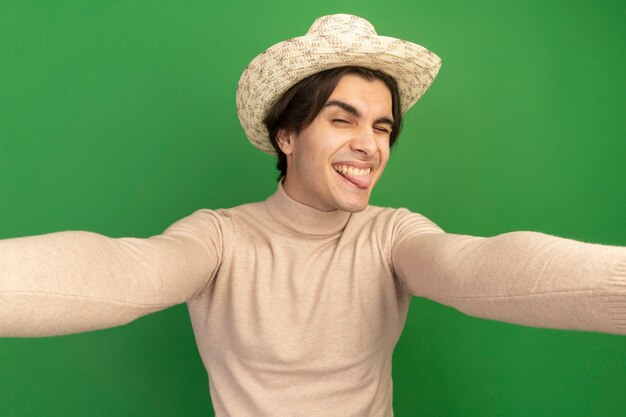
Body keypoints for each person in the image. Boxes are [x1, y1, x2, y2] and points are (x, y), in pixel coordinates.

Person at [0, 13, 624, 417]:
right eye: (342, 119)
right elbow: (120, 272)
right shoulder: (219, 238)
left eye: (382, 127)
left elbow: (479, 267)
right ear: (288, 137)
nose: (370, 145)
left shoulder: (393, 235)